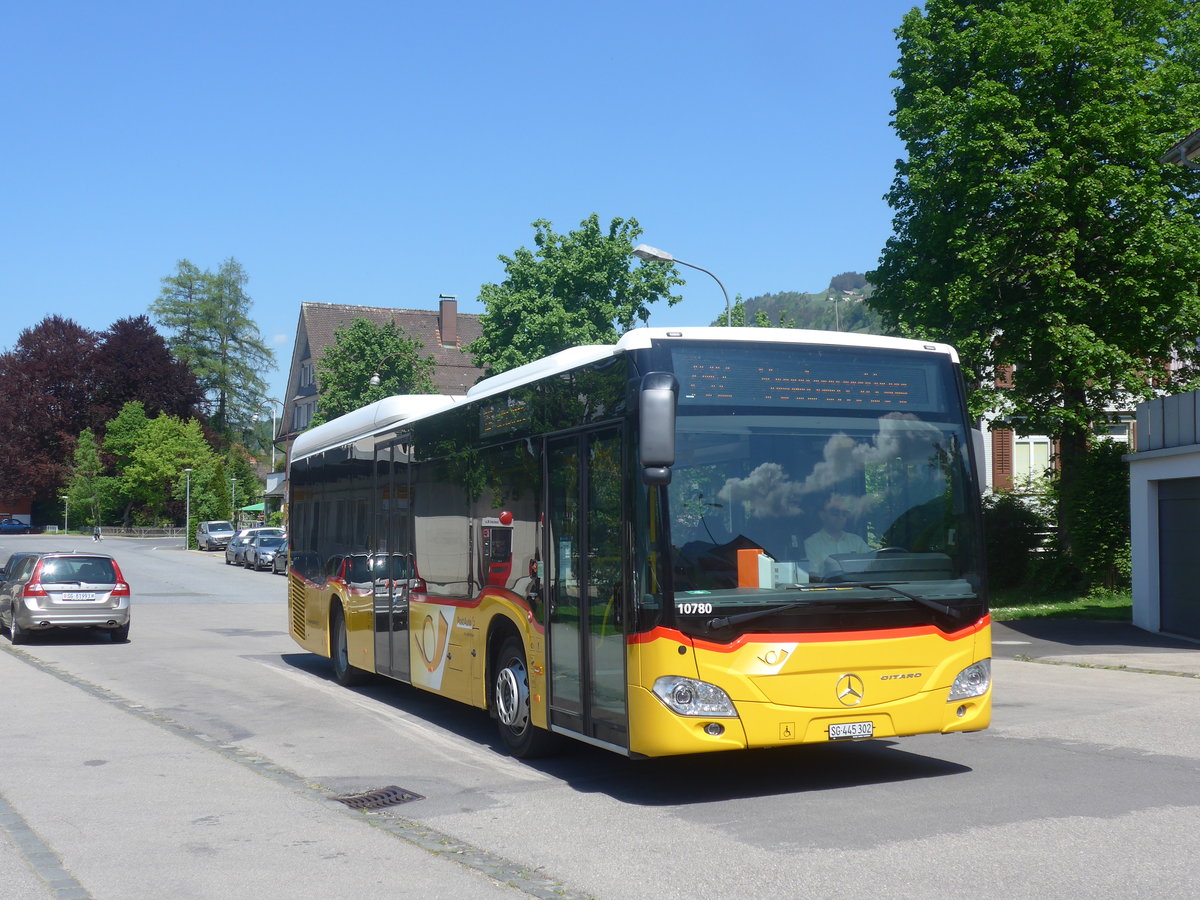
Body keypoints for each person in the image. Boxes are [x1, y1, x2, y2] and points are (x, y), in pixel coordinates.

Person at [803, 494, 867, 575]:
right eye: (835, 512)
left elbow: (871, 568)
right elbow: (813, 577)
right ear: (822, 515)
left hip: (859, 587)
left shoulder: (857, 542)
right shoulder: (811, 544)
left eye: (844, 513)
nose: (840, 516)